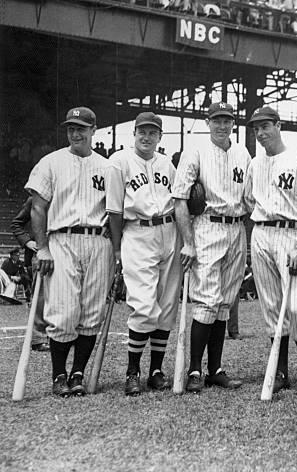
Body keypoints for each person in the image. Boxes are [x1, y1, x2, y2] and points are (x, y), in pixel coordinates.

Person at [25, 106, 114, 397]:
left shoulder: (108, 166)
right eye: (71, 128)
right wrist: (42, 249)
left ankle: (77, 373)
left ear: (93, 130)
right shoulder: (51, 162)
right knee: (63, 313)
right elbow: (38, 208)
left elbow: (115, 211)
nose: (75, 133)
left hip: (99, 241)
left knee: (91, 314)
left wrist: (118, 249)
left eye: (81, 128)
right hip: (62, 239)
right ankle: (58, 375)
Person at [244, 106, 297, 396]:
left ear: (278, 125)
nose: (261, 133)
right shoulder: (255, 164)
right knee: (273, 308)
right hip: (262, 232)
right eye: (256, 129)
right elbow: (249, 200)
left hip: (293, 233)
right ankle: (281, 372)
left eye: (265, 126)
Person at [173, 102, 249, 393]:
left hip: (236, 227)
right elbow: (180, 199)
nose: (222, 125)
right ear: (207, 122)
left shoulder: (243, 152)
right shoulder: (195, 150)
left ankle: (215, 369)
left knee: (224, 302)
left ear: (233, 123)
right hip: (207, 225)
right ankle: (194, 369)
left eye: (227, 120)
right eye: (216, 120)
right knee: (206, 300)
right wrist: (189, 243)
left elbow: (250, 195)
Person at [106, 112, 182, 396]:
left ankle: (156, 371)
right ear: (134, 133)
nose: (146, 137)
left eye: (152, 132)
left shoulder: (166, 163)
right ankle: (132, 371)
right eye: (142, 131)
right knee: (143, 305)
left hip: (169, 230)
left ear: (160, 136)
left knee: (166, 305)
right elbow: (113, 210)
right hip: (137, 233)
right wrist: (116, 248)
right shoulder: (119, 161)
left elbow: (179, 201)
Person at [9, 197, 49, 351]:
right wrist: (27, 241)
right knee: (40, 296)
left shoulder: (66, 195)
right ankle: (38, 338)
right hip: (38, 254)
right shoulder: (35, 199)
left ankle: (58, 335)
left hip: (62, 251)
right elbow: (16, 224)